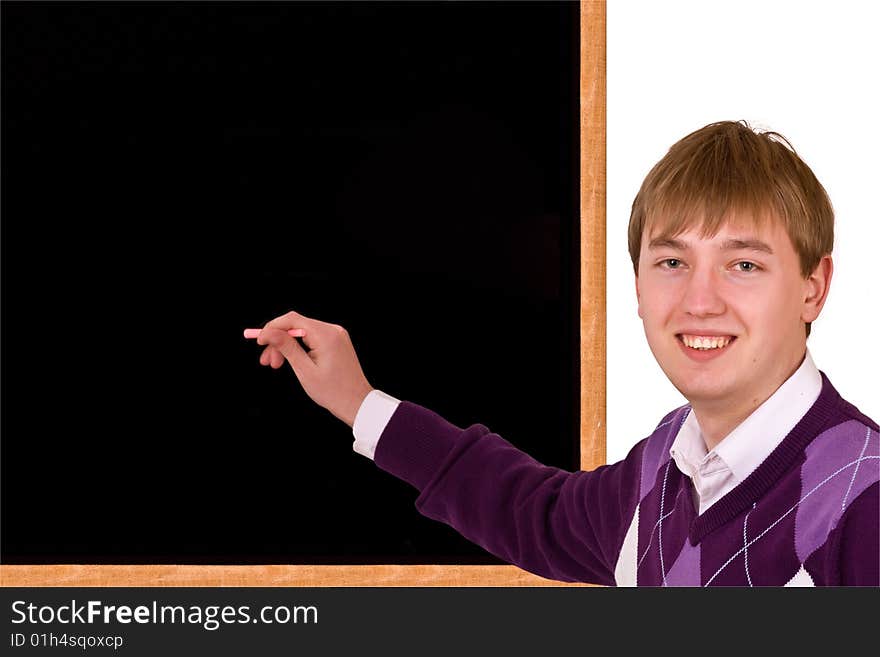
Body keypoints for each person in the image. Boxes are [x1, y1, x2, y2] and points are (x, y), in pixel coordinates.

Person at [251, 121, 879, 586]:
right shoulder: (664, 464)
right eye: (671, 262)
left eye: (743, 264)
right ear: (636, 286)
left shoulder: (864, 498)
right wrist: (360, 405)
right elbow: (533, 511)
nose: (700, 300)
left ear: (813, 287)